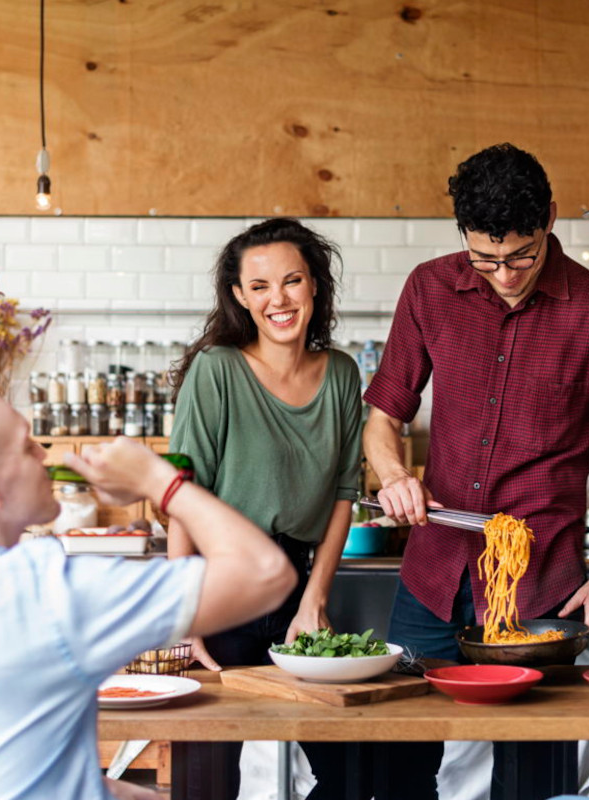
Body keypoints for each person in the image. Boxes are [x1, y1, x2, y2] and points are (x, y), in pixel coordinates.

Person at [362, 143, 589, 798]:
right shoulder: (429, 289)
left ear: (551, 222)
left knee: (531, 780)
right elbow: (382, 417)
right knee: (393, 769)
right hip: (431, 578)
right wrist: (393, 473)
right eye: (486, 259)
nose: (504, 274)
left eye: (521, 257)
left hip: (540, 593)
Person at [0, 373, 296, 800]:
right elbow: (265, 573)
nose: (47, 457)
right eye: (27, 447)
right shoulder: (48, 591)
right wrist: (157, 481)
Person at [166, 217, 365, 799]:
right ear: (239, 297)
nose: (278, 299)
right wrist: (183, 611)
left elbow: (344, 496)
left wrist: (315, 599)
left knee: (340, 764)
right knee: (208, 769)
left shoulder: (343, 375)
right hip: (220, 588)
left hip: (296, 585)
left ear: (315, 287)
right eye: (259, 286)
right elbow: (182, 492)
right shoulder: (217, 371)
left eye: (292, 281)